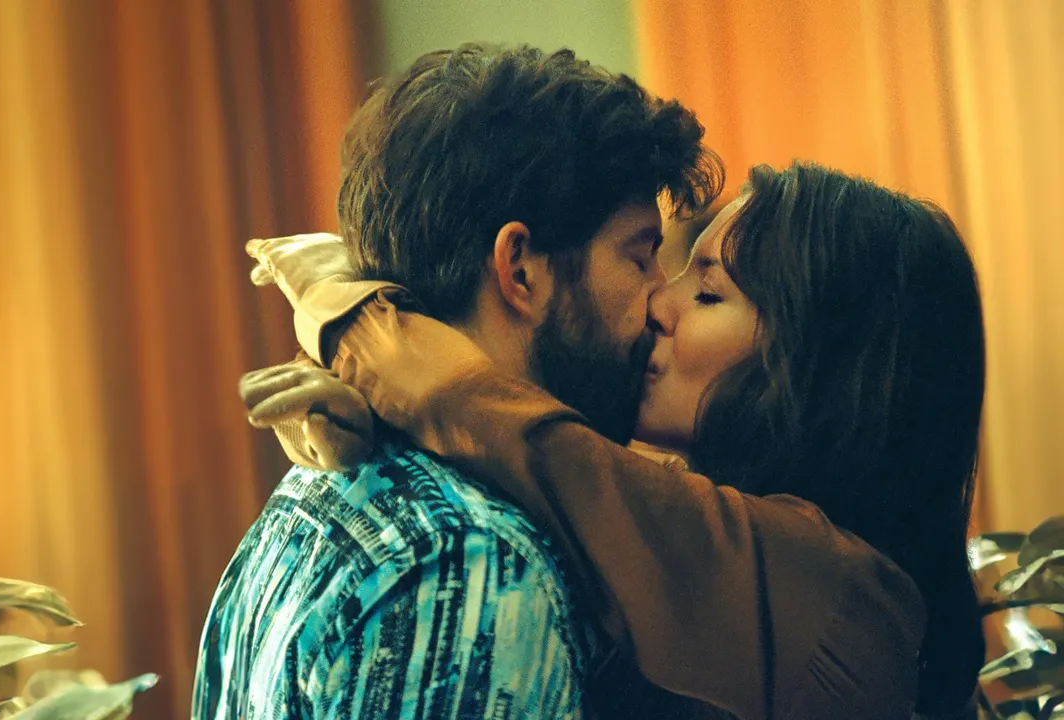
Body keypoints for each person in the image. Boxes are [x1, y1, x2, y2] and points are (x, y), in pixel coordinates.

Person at [242, 162, 987, 719]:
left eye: (708, 293)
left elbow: (504, 426)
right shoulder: (685, 512)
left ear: (819, 367)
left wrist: (347, 306)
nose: (659, 302)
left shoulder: (841, 595)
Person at [193, 43, 722, 719]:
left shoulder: (311, 493)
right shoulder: (469, 564)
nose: (661, 299)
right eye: (640, 257)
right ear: (520, 270)